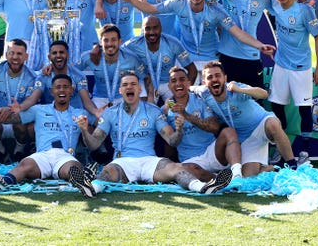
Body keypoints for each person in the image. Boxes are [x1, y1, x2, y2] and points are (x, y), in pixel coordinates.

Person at [76, 73, 232, 193]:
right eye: (125, 85)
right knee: (108, 171)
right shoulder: (110, 113)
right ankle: (92, 189)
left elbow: (172, 141)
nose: (129, 87)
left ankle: (201, 188)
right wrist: (84, 131)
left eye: (133, 84)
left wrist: (178, 130)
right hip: (123, 161)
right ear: (120, 90)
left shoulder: (153, 111)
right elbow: (94, 143)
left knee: (176, 169)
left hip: (149, 160)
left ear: (139, 89)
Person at [118, 0, 275, 84]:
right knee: (185, 97)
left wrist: (260, 46)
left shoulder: (216, 10)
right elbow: (151, 9)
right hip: (188, 59)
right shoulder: (178, 3)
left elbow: (238, 33)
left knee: (211, 101)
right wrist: (130, 0)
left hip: (211, 59)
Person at [0, 74, 97, 198]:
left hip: (65, 156)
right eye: (58, 87)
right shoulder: (38, 110)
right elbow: (8, 119)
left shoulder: (80, 113)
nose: (62, 90)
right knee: (25, 164)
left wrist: (95, 121)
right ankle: (2, 182)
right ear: (52, 91)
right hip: (43, 155)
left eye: (66, 87)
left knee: (73, 167)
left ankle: (82, 181)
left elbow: (101, 122)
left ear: (72, 91)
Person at [198, 61, 301, 177]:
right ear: (204, 82)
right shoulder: (204, 94)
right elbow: (190, 88)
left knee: (273, 124)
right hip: (246, 139)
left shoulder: (235, 88)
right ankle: (276, 168)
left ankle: (292, 166)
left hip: (261, 123)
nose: (214, 79)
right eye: (210, 77)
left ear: (225, 78)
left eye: (218, 75)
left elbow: (263, 94)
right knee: (248, 176)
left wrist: (239, 90)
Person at [268, 0, 318, 152]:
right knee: (277, 106)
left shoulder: (304, 9)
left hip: (301, 67)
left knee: (304, 110)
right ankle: (281, 146)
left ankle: (305, 151)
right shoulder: (273, 3)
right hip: (281, 65)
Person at [165, 66, 242, 181]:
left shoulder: (200, 100)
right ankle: (221, 180)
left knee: (229, 131)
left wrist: (186, 115)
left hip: (212, 152)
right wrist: (179, 130)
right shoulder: (166, 110)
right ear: (169, 86)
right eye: (174, 81)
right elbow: (171, 143)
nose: (178, 83)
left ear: (188, 83)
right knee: (186, 170)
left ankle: (237, 175)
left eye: (182, 79)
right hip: (190, 160)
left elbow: (215, 127)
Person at [0, 39, 43, 161]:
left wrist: (13, 109)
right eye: (11, 53)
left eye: (19, 54)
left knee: (22, 125)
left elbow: (29, 100)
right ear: (6, 54)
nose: (15, 57)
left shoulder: (32, 77)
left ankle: (19, 150)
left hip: (17, 117)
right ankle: (1, 151)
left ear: (26, 56)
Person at [218, 0, 272, 88]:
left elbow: (282, 0)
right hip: (227, 56)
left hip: (251, 57)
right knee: (228, 101)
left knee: (255, 101)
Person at [123, 16, 196, 104]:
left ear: (161, 28)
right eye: (147, 28)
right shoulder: (133, 44)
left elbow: (192, 70)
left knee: (174, 108)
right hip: (147, 83)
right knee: (145, 109)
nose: (152, 32)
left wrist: (185, 91)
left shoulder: (173, 43)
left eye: (155, 28)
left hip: (168, 84)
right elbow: (118, 53)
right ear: (142, 30)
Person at [78, 24, 145, 108]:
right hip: (99, 98)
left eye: (113, 40)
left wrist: (143, 99)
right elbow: (72, 70)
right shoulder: (90, 56)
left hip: (123, 97)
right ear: (100, 42)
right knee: (91, 118)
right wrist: (77, 85)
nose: (109, 44)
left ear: (120, 41)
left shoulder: (131, 58)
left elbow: (145, 78)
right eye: (106, 40)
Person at [39, 40, 98, 119]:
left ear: (67, 55)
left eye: (61, 52)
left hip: (75, 116)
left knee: (96, 122)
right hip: (51, 117)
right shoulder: (43, 75)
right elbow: (33, 98)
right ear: (49, 57)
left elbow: (86, 100)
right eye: (54, 53)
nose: (58, 55)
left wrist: (96, 112)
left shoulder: (79, 76)